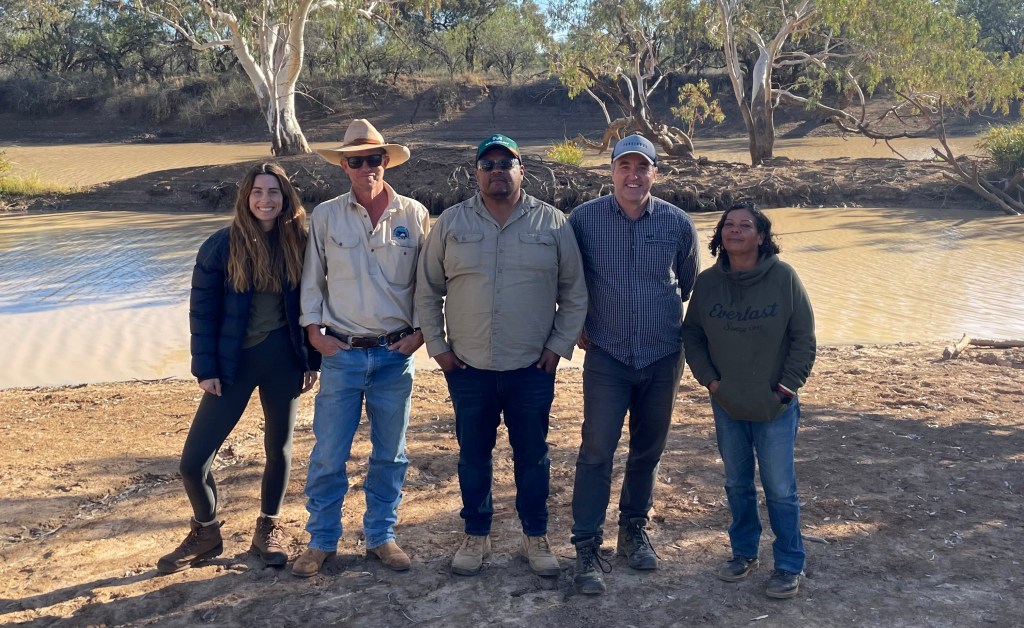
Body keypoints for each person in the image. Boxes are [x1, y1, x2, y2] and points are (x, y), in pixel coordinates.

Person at [416, 134, 588, 577]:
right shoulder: (451, 223)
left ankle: (536, 535)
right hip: (468, 367)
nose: (497, 171)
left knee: (533, 456)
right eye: (488, 164)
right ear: (477, 173)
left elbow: (574, 293)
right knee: (473, 456)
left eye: (506, 163)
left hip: (532, 367)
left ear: (521, 171)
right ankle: (476, 534)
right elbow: (427, 290)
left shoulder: (554, 223)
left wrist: (558, 347)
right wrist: (438, 347)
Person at [157, 162, 320, 574]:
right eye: (258, 192)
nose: (266, 200)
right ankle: (206, 531)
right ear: (246, 198)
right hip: (233, 365)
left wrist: (311, 361)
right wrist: (205, 368)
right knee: (193, 463)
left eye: (274, 192)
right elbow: (202, 313)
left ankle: (269, 526)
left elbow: (316, 305)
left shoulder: (301, 243)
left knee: (279, 450)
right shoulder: (220, 246)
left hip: (284, 361)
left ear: (286, 199)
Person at [293, 119, 429, 577]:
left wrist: (421, 334)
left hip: (395, 356)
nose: (366, 167)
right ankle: (321, 541)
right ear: (344, 166)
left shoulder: (414, 214)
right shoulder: (326, 216)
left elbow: (429, 284)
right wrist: (314, 333)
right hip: (342, 355)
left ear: (386, 161)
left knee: (391, 455)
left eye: (373, 158)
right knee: (329, 455)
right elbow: (312, 280)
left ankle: (381, 537)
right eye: (356, 160)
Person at [567, 133, 700, 594]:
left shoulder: (678, 222)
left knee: (648, 449)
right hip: (607, 354)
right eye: (624, 166)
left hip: (663, 355)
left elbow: (686, 285)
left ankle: (632, 531)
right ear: (611, 171)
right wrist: (577, 323)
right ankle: (586, 546)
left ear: (654, 174)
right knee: (596, 450)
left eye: (642, 167)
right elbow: (568, 279)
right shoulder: (583, 220)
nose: (633, 175)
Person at [681, 201, 816, 599]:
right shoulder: (707, 283)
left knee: (779, 488)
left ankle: (789, 564)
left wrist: (786, 389)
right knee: (737, 484)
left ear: (761, 236)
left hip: (775, 405)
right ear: (719, 234)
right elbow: (692, 335)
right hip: (727, 404)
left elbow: (803, 339)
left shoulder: (784, 278)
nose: (735, 231)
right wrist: (711, 383)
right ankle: (744, 553)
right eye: (729, 225)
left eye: (745, 225)